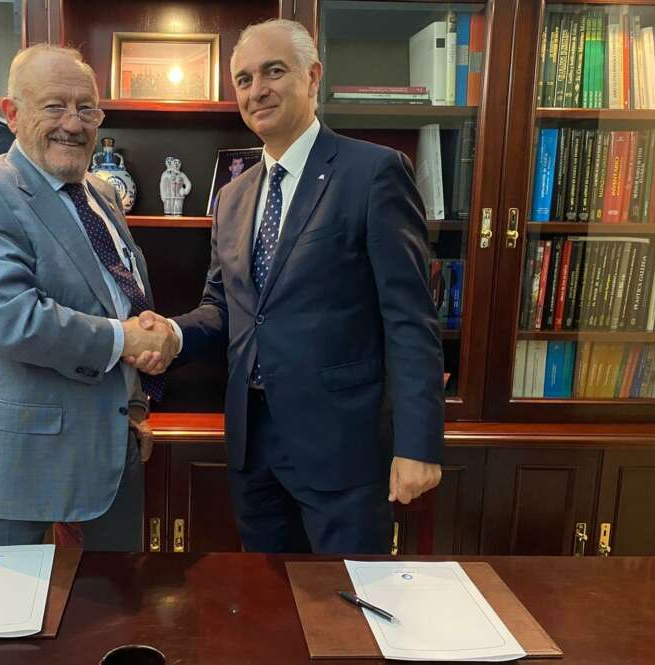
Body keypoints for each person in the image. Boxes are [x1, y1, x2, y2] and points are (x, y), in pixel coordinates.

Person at [131, 19, 444, 554]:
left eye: (274, 71)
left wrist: (418, 445)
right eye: (245, 79)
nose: (258, 90)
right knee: (267, 609)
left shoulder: (373, 173)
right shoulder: (232, 195)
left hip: (343, 450)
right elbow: (224, 307)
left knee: (345, 613)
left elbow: (410, 319)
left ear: (312, 76)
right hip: (253, 447)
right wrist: (174, 336)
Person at [0, 44, 178, 548]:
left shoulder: (101, 193)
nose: (73, 124)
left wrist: (134, 408)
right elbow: (9, 318)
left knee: (112, 618)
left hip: (109, 453)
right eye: (54, 106)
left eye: (87, 109)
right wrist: (123, 340)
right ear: (12, 114)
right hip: (12, 467)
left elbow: (118, 298)